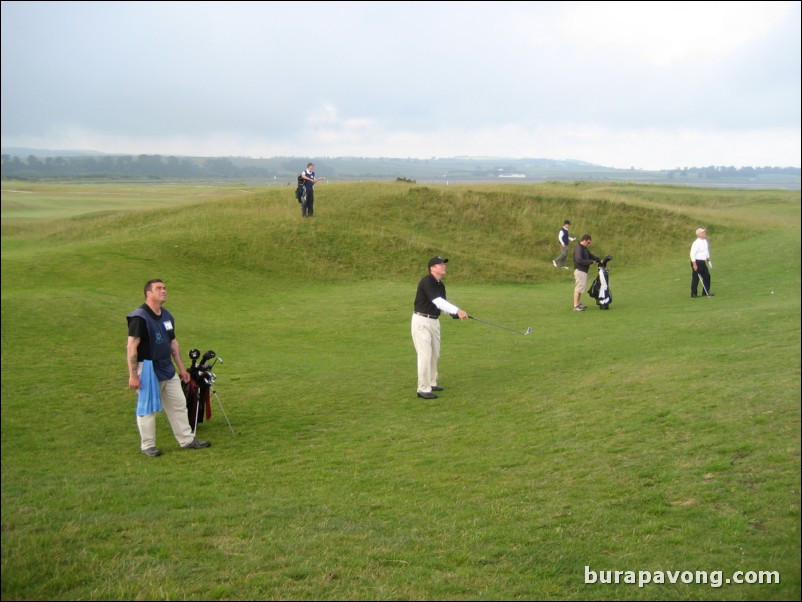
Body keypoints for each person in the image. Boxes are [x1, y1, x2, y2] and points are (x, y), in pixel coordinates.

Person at [127, 279, 211, 457]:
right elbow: (131, 347)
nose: (164, 291)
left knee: (179, 404)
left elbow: (172, 342)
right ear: (148, 294)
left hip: (167, 367)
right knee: (148, 408)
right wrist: (133, 375)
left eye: (164, 288)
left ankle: (187, 439)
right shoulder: (139, 317)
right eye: (159, 288)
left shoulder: (167, 316)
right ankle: (148, 445)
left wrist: (181, 368)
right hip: (147, 368)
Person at [411, 256, 469, 399]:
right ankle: (423, 389)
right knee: (425, 355)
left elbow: (442, 303)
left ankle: (431, 382)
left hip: (434, 322)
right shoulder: (427, 281)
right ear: (432, 268)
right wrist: (456, 310)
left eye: (443, 264)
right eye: (440, 264)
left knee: (435, 354)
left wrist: (452, 314)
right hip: (421, 321)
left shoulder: (440, 284)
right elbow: (437, 302)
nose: (443, 266)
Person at [572, 234, 601, 311]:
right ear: (584, 240)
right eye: (588, 242)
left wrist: (598, 259)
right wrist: (590, 262)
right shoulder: (579, 248)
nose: (589, 244)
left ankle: (578, 303)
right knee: (578, 288)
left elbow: (590, 255)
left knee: (580, 287)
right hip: (580, 270)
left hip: (583, 270)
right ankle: (575, 306)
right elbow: (579, 260)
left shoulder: (584, 248)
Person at [690, 227, 714, 297]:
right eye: (703, 232)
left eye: (704, 232)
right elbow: (692, 254)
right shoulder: (696, 243)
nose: (704, 233)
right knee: (696, 278)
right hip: (696, 261)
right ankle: (693, 293)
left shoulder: (705, 241)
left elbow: (706, 252)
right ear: (699, 234)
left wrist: (708, 260)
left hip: (702, 262)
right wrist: (694, 264)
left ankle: (705, 292)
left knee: (707, 276)